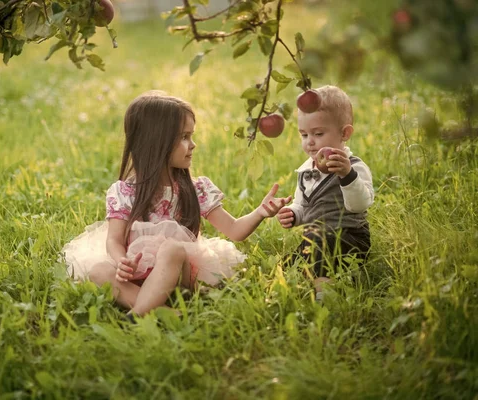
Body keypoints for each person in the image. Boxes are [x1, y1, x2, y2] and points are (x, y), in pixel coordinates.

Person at [61, 91, 292, 318]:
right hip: (137, 272)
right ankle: (162, 311)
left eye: (191, 135)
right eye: (184, 137)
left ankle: (138, 313)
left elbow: (234, 230)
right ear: (155, 141)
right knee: (98, 271)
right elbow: (114, 239)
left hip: (179, 272)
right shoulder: (124, 192)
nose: (193, 144)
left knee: (171, 248)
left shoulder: (195, 189)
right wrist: (122, 261)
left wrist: (261, 213)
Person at [276, 85, 374, 301]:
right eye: (304, 134)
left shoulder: (353, 167)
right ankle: (315, 279)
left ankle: (325, 295)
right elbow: (303, 205)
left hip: (350, 238)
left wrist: (346, 175)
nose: (310, 141)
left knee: (317, 241)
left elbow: (360, 204)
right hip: (316, 239)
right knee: (286, 265)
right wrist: (293, 214)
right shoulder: (306, 170)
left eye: (318, 133)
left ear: (344, 133)